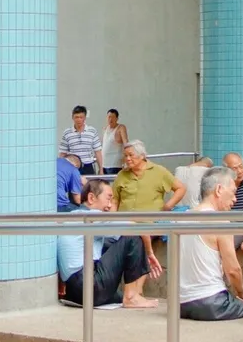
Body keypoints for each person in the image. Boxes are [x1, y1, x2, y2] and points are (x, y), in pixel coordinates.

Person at [57, 179, 161, 308]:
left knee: (119, 295)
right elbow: (138, 229)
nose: (110, 205)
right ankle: (132, 297)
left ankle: (131, 296)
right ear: (91, 198)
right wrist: (150, 254)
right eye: (108, 198)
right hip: (88, 282)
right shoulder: (92, 216)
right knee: (132, 236)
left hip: (74, 292)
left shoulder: (72, 216)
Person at [179, 166, 243, 321]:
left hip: (180, 304)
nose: (235, 199)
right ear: (219, 190)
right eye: (233, 192)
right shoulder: (220, 222)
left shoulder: (182, 219)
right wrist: (242, 293)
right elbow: (233, 270)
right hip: (211, 301)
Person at [113, 141, 187, 212]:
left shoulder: (159, 171)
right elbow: (114, 200)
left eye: (131, 155)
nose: (127, 159)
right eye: (125, 156)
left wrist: (168, 206)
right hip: (125, 219)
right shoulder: (121, 174)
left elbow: (181, 188)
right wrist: (111, 218)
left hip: (151, 220)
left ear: (142, 156)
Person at [58, 105, 103, 175]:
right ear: (72, 117)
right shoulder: (67, 133)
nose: (79, 119)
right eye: (76, 117)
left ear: (85, 118)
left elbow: (98, 152)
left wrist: (101, 169)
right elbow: (62, 153)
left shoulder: (92, 131)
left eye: (81, 117)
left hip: (88, 165)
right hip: (73, 166)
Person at [101, 109, 128, 174]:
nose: (110, 119)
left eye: (113, 117)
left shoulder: (121, 128)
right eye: (109, 117)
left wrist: (126, 159)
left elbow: (126, 143)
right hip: (104, 164)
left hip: (115, 164)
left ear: (117, 119)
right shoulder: (105, 128)